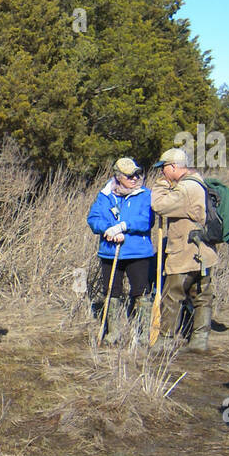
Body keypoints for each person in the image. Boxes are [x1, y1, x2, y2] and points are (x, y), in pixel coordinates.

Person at [150, 147, 218, 351]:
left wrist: (161, 186)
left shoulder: (186, 188)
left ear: (172, 167)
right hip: (203, 252)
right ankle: (199, 340)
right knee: (202, 295)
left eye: (163, 168)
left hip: (185, 252)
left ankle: (165, 342)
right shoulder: (199, 182)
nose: (162, 172)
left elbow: (159, 205)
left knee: (172, 296)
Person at [86, 157, 155, 344]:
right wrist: (108, 229)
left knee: (141, 292)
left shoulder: (145, 194)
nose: (135, 178)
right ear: (118, 177)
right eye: (130, 175)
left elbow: (147, 220)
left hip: (138, 252)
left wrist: (124, 226)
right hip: (110, 251)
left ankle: (142, 336)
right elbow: (93, 218)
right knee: (111, 291)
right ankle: (113, 333)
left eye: (137, 174)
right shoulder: (105, 195)